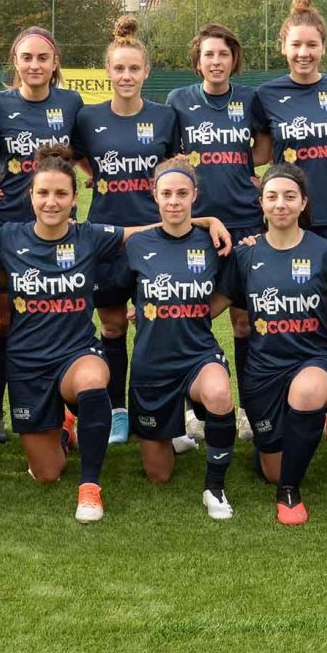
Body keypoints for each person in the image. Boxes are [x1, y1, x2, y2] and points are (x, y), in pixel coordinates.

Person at [0, 145, 229, 523]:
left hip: (76, 355)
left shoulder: (91, 235)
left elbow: (154, 229)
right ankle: (64, 432)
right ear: (30, 195)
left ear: (74, 198)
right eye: (44, 193)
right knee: (47, 473)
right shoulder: (7, 238)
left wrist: (206, 220)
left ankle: (90, 487)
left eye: (61, 193)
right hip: (27, 364)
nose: (52, 202)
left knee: (94, 379)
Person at [74, 16, 180, 444]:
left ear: (146, 72)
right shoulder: (87, 118)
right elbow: (79, 161)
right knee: (114, 327)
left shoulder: (165, 117)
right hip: (108, 241)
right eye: (119, 69)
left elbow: (177, 171)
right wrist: (95, 176)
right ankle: (119, 411)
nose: (126, 76)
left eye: (134, 69)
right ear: (108, 72)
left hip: (158, 238)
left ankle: (166, 416)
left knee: (162, 328)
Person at [254, 0, 327, 449]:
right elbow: (255, 154)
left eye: (311, 45)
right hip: (286, 221)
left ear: (323, 47)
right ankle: (262, 405)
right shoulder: (267, 95)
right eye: (296, 45)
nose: (304, 53)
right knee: (275, 312)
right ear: (283, 47)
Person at [222, 164, 327, 525]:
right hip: (264, 369)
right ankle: (279, 447)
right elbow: (217, 305)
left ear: (303, 202)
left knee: (307, 393)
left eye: (290, 196)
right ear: (260, 203)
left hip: (317, 359)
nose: (281, 204)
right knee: (272, 467)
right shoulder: (246, 254)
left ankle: (289, 492)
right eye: (272, 196)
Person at [0, 26, 85, 446]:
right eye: (27, 58)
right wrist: (9, 180)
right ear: (15, 62)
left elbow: (80, 154)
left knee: (61, 311)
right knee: (3, 319)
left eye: (43, 58)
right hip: (9, 224)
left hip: (61, 229)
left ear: (55, 62)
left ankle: (67, 410)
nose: (35, 65)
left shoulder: (72, 103)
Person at [166, 22, 271, 442]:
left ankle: (246, 407)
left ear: (233, 60)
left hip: (245, 221)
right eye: (208, 55)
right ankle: (194, 410)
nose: (216, 62)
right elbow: (170, 154)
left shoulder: (249, 99)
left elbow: (263, 145)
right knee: (191, 314)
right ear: (197, 62)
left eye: (223, 55)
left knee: (246, 321)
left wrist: (251, 171)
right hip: (196, 226)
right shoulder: (179, 101)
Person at [123, 157, 240, 519]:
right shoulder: (137, 243)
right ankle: (174, 432)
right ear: (154, 196)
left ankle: (215, 488)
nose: (174, 201)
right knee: (159, 476)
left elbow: (229, 290)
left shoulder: (211, 241)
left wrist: (191, 311)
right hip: (151, 362)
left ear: (195, 195)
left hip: (197, 353)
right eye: (167, 193)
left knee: (219, 393)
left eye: (182, 193)